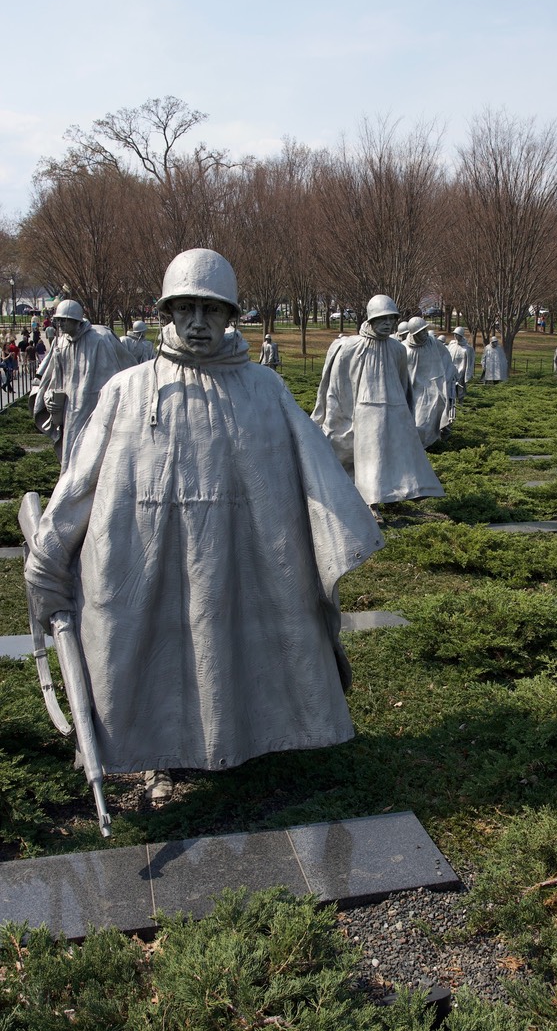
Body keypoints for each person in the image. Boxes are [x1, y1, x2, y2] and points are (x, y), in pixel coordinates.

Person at [24, 248, 383, 802]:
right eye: (185, 308)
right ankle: (154, 758)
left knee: (241, 646)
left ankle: (257, 739)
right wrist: (49, 555)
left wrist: (337, 537)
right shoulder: (128, 390)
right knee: (150, 657)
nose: (197, 323)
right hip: (146, 558)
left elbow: (315, 472)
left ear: (230, 316)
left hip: (246, 556)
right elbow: (81, 480)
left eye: (210, 311)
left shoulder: (265, 389)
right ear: (167, 313)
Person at [311, 294, 444, 519]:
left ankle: (397, 495)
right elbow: (338, 387)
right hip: (366, 410)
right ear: (371, 319)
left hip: (394, 409)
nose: (388, 324)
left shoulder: (398, 349)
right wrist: (337, 416)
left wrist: (405, 412)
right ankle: (369, 503)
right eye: (382, 319)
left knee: (395, 455)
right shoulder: (351, 348)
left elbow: (404, 383)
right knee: (369, 458)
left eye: (391, 320)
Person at [31, 299, 136, 471]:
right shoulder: (61, 343)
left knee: (97, 455)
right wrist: (49, 396)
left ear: (77, 321)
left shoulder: (100, 339)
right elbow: (54, 379)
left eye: (65, 320)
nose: (61, 324)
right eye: (59, 320)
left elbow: (118, 375)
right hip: (69, 410)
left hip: (94, 408)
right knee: (70, 458)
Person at [403, 316, 456, 446]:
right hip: (413, 391)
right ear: (413, 334)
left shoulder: (434, 343)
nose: (425, 334)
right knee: (417, 421)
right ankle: (419, 447)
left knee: (432, 417)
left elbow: (447, 361)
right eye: (421, 332)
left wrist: (449, 380)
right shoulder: (404, 348)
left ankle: (429, 444)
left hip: (434, 388)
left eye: (425, 330)